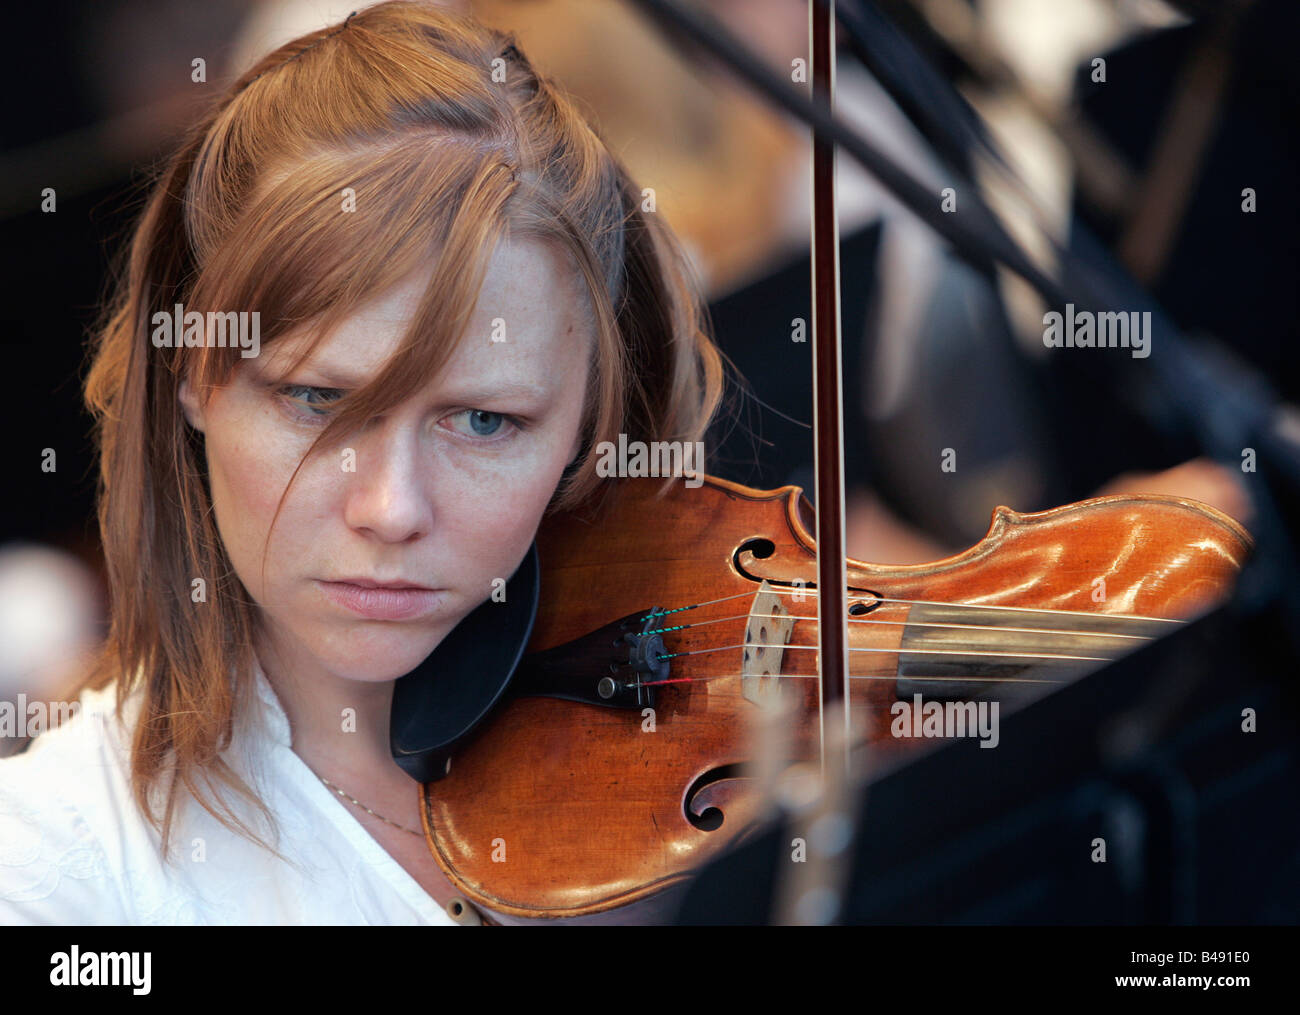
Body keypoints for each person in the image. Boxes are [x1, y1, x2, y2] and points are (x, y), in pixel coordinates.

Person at [0, 1, 722, 925]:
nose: (390, 508)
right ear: (191, 370)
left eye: (485, 421)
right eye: (315, 400)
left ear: (590, 425)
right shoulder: (55, 873)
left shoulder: (714, 793)